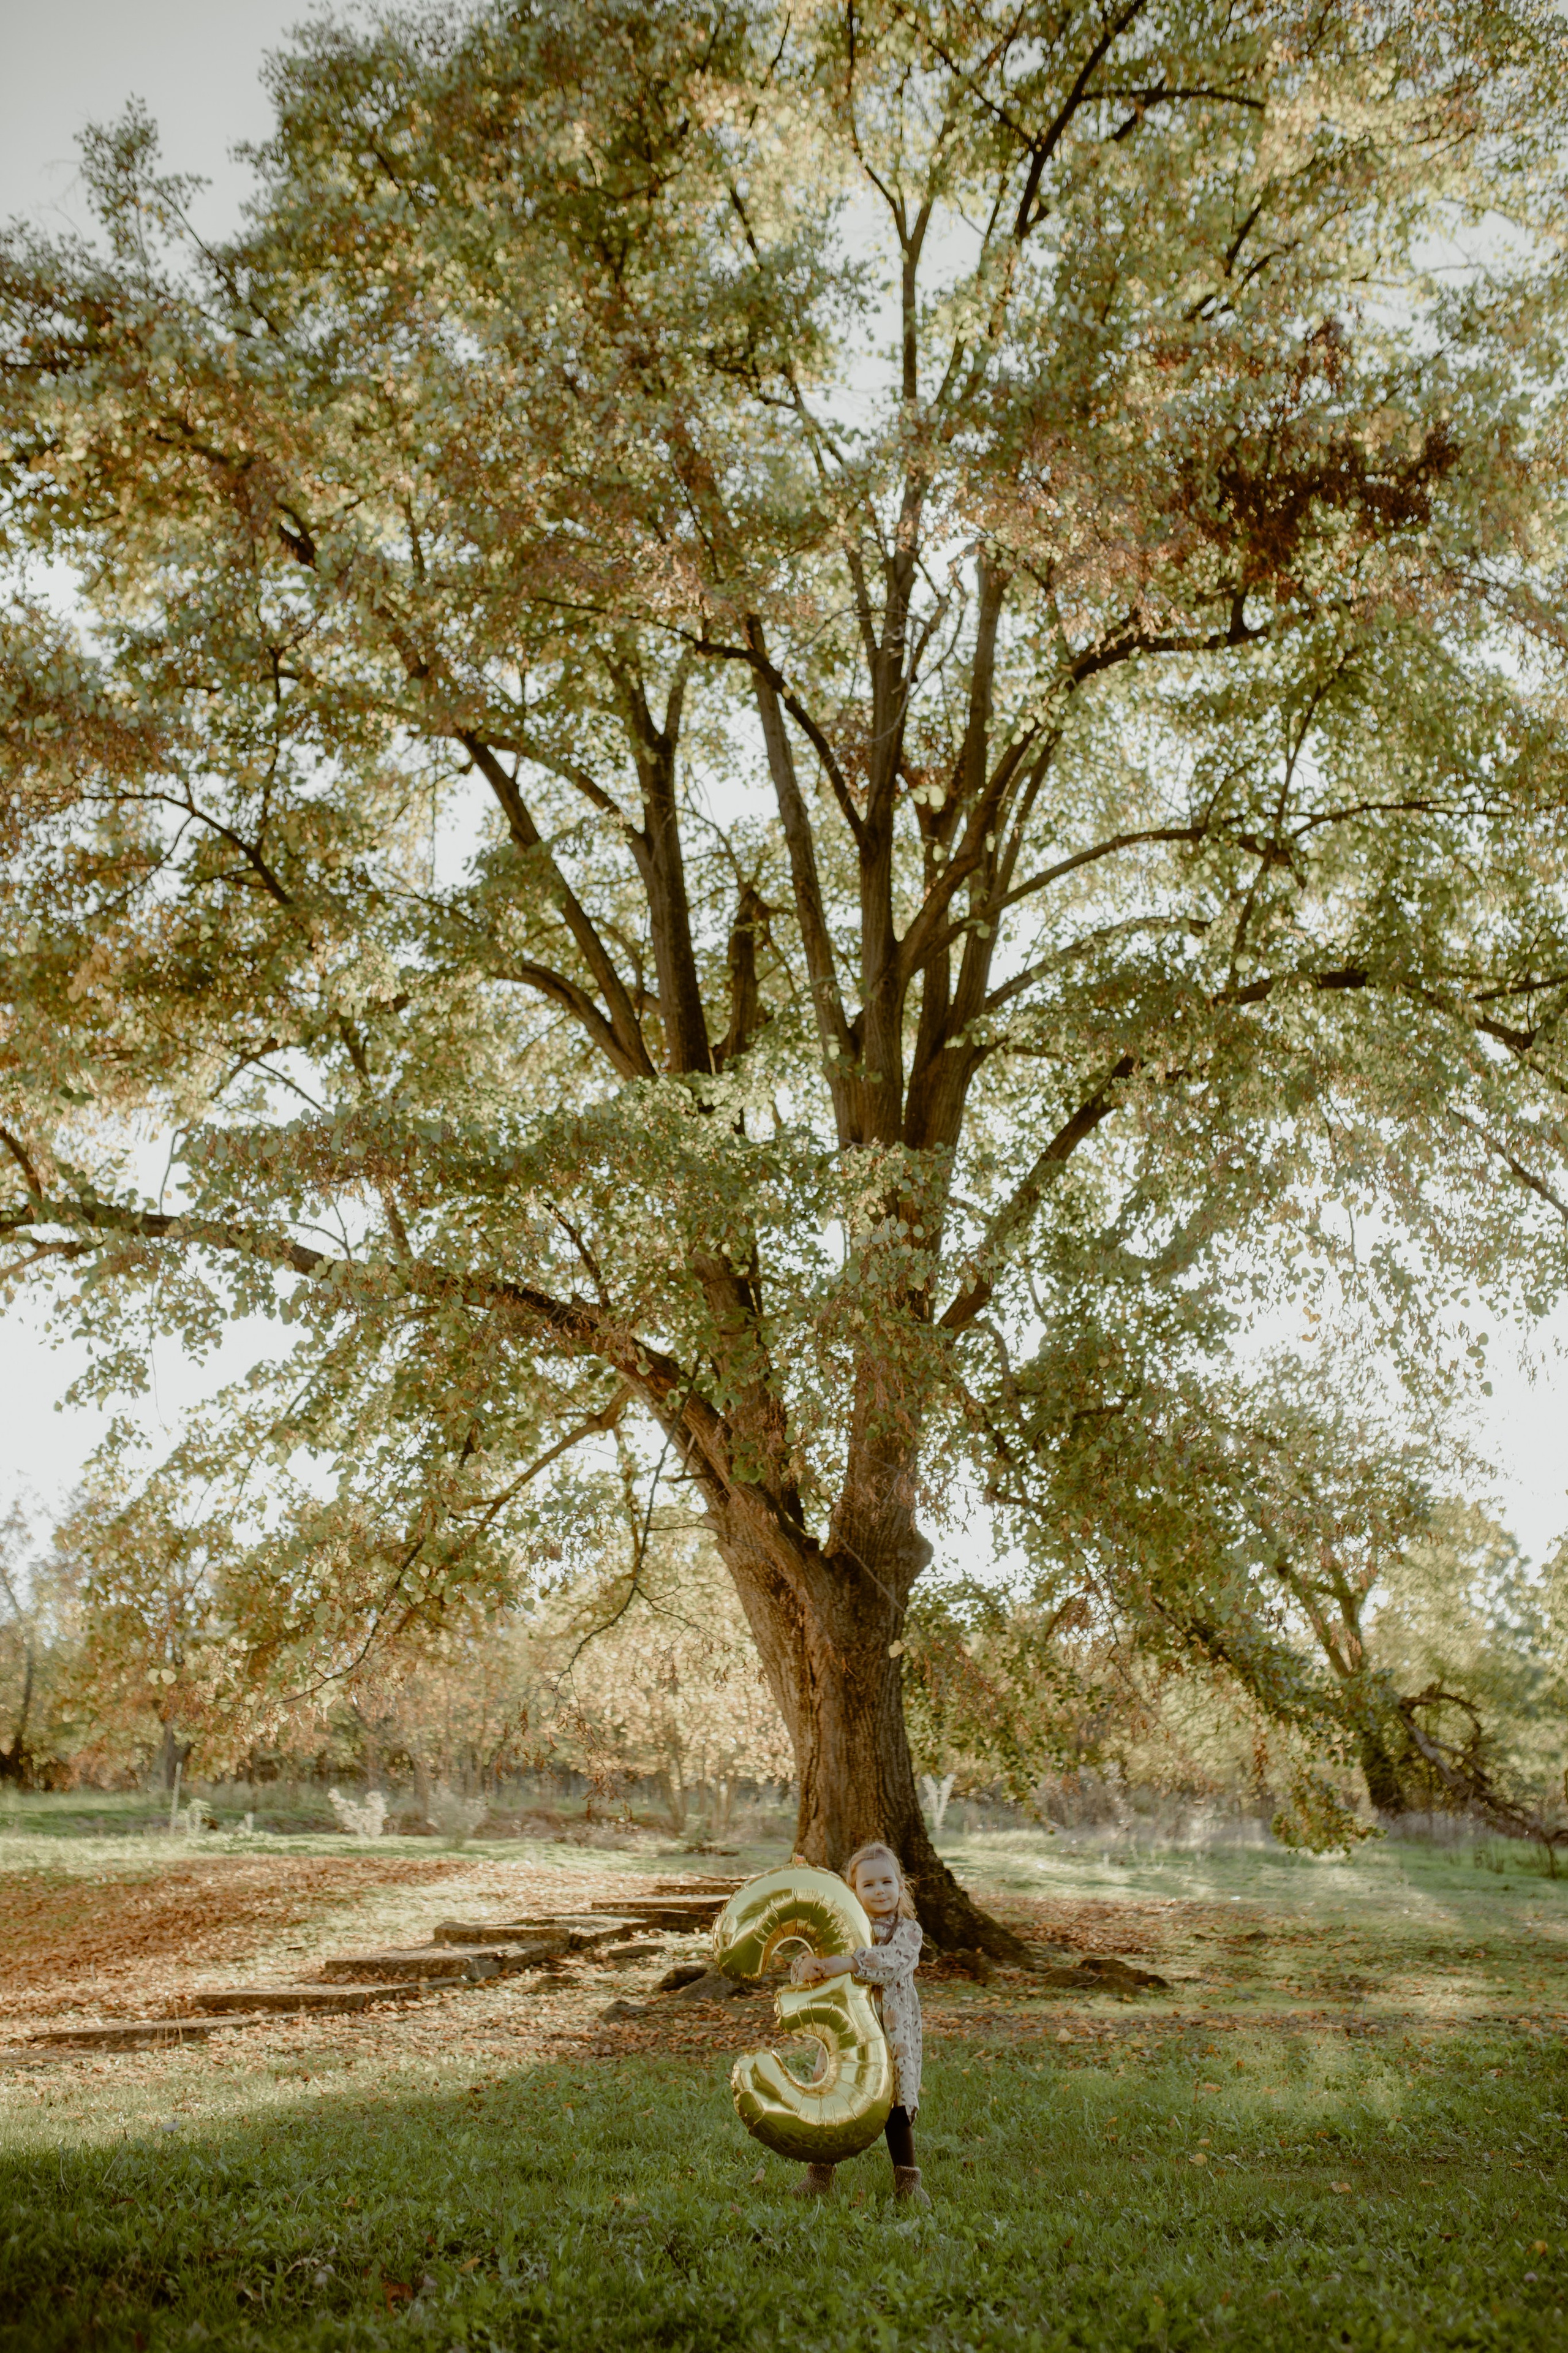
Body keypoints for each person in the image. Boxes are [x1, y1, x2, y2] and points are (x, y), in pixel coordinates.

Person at [790, 1841, 929, 2206]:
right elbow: (811, 1959)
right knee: (834, 2099)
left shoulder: (908, 1930)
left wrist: (849, 1963)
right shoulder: (839, 1928)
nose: (880, 1891)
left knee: (896, 2106)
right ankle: (819, 2175)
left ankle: (908, 2182)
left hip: (892, 2032)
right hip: (847, 2033)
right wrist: (807, 1967)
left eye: (887, 1882)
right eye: (868, 1885)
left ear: (901, 1885)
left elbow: (893, 1961)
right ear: (854, 1891)